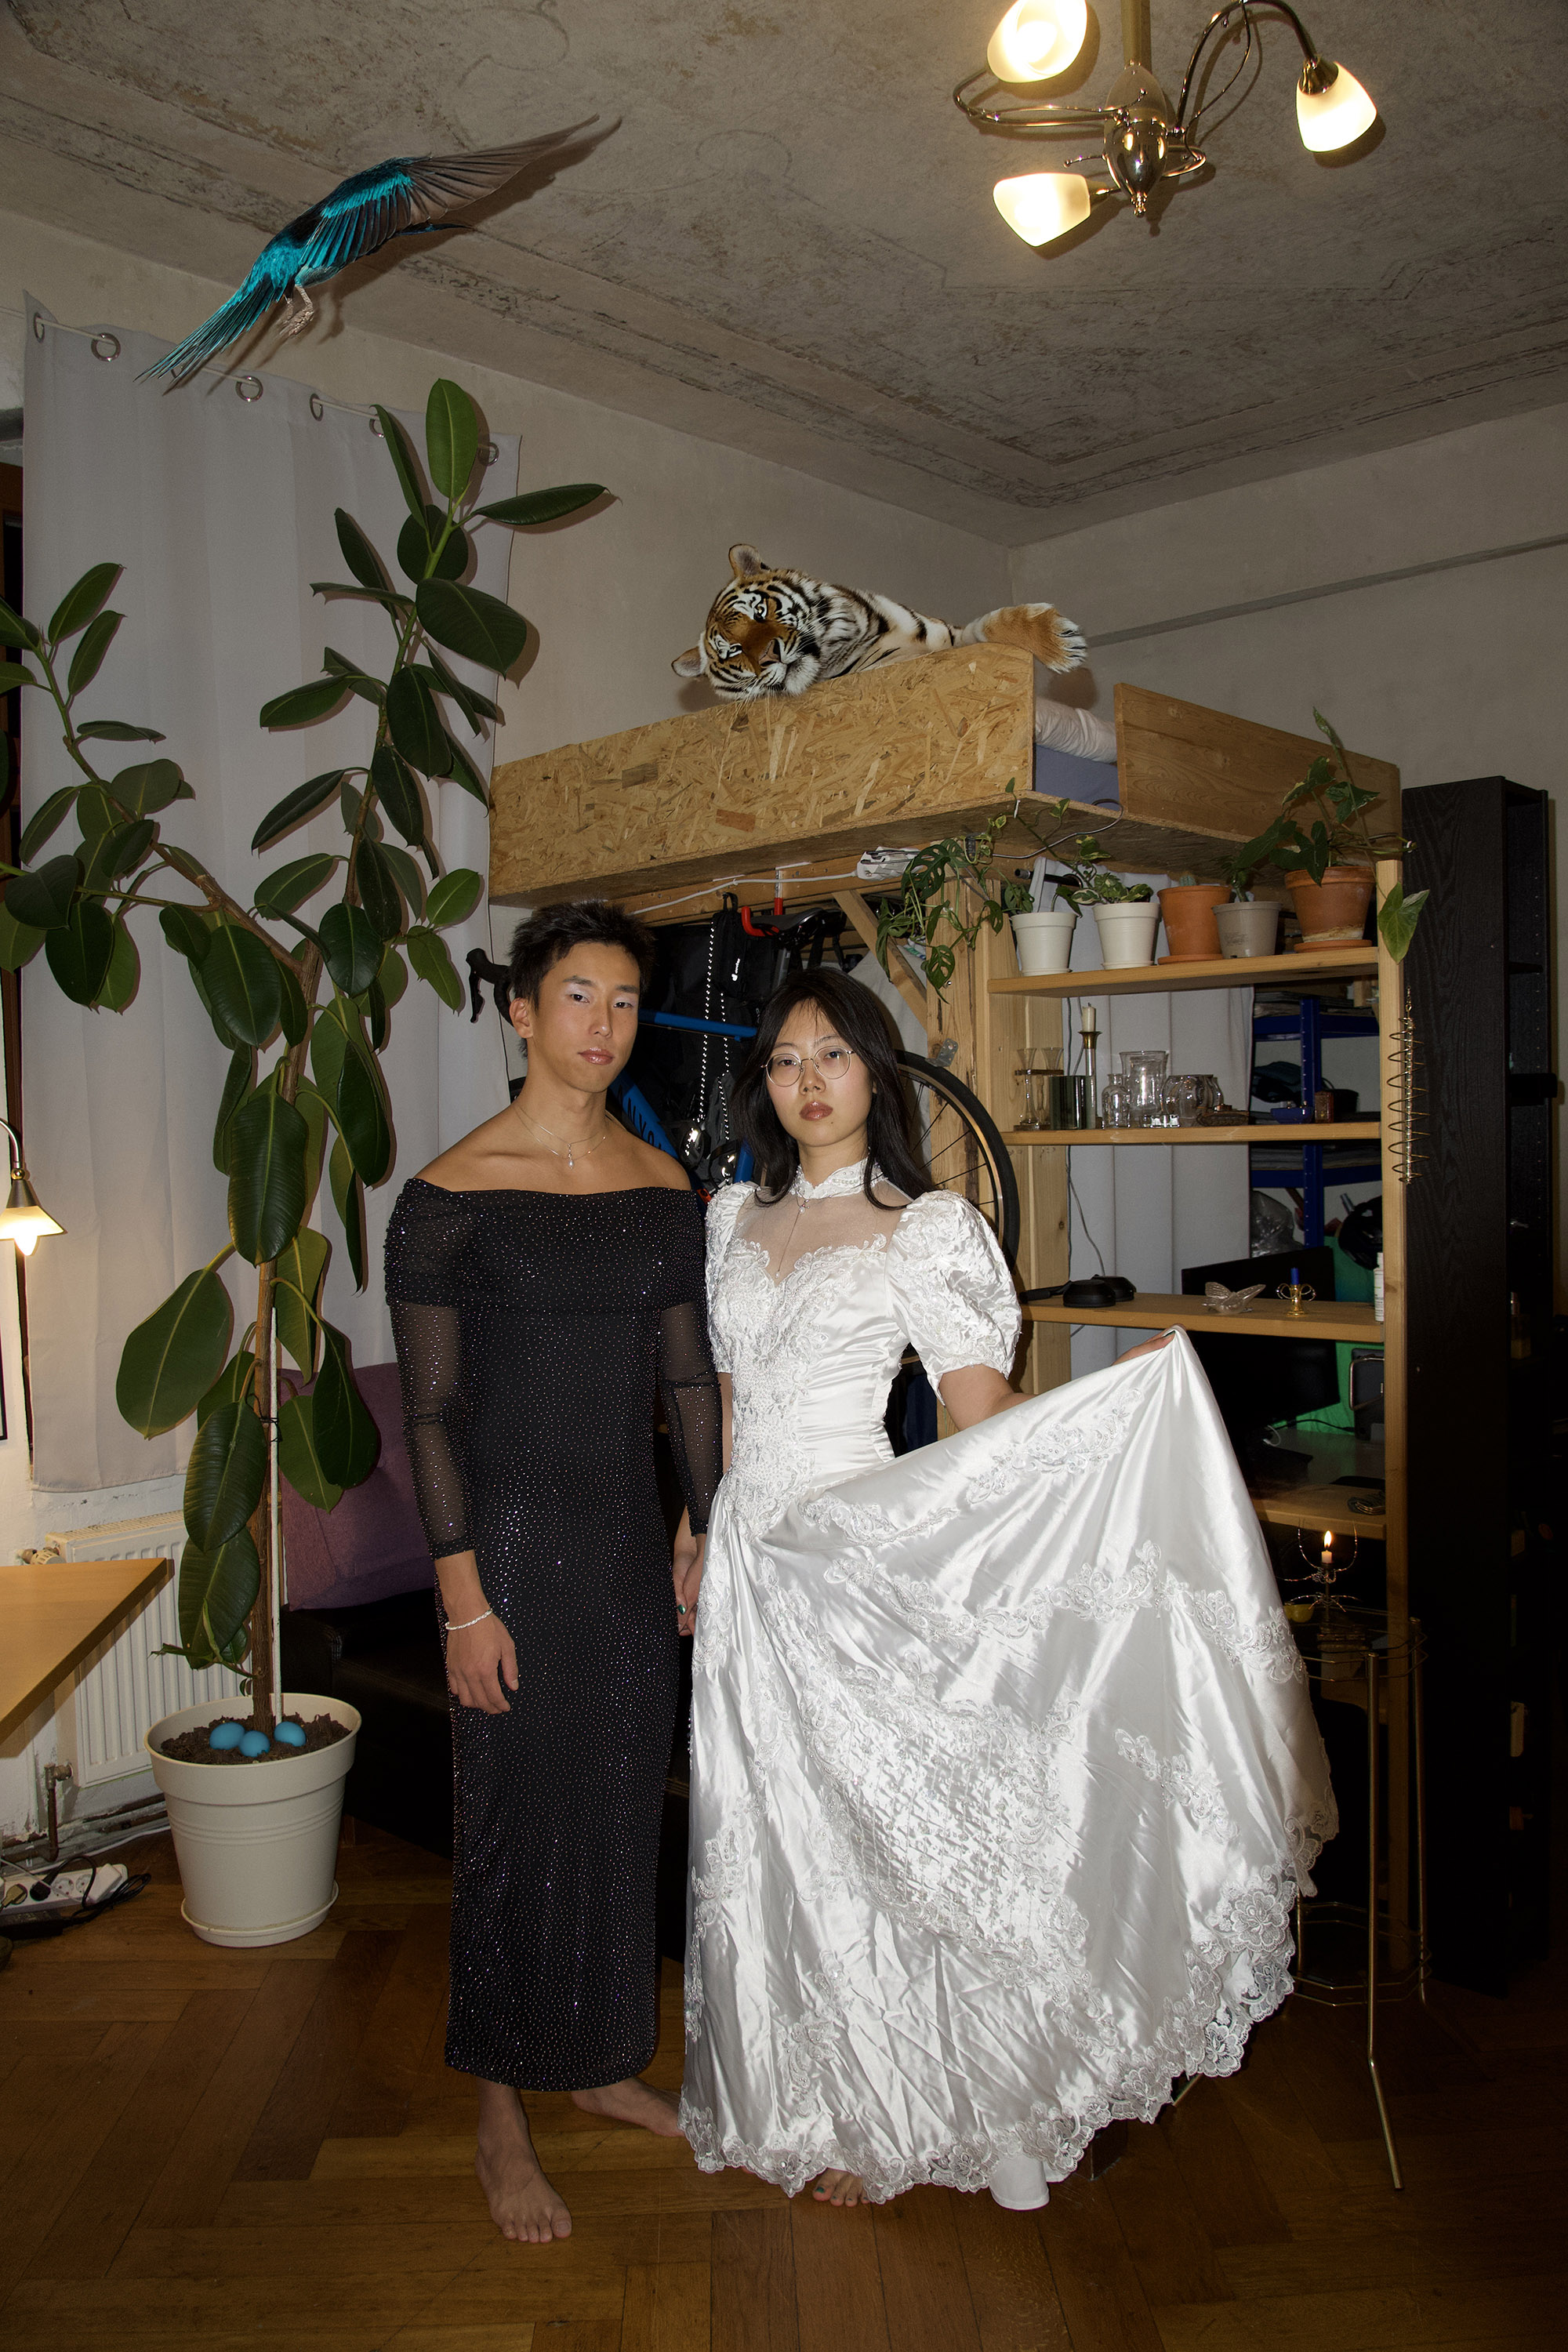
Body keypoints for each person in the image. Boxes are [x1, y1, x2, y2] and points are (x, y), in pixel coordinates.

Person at [672, 971, 1335, 2210]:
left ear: (876, 1074)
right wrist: (697, 1520)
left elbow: (980, 1409)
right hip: (751, 1559)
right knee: (767, 1831)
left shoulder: (925, 1229)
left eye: (833, 1056)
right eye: (785, 1060)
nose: (809, 1082)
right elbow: (722, 1397)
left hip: (854, 1558)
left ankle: (897, 2105)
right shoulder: (728, 1221)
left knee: (874, 1837)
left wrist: (1114, 1417)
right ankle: (803, 2095)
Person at [384, 900, 723, 2247]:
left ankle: (598, 2064)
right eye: (579, 996)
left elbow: (689, 1381)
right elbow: (429, 1417)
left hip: (628, 1556)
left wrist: (703, 1524)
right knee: (510, 1824)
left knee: (618, 1809)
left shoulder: (663, 1186)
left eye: (625, 1001)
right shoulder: (449, 1198)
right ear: (522, 1011)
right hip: (511, 1558)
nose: (604, 1025)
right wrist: (463, 1599)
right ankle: (500, 2114)